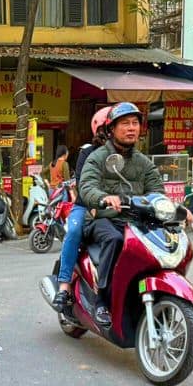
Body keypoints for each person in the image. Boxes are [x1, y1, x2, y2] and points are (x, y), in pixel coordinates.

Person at [79, 102, 165, 326]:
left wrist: (178, 209)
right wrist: (104, 197)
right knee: (115, 240)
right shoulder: (97, 157)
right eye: (125, 123)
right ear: (111, 129)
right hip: (103, 218)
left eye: (135, 123)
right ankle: (101, 300)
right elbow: (87, 186)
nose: (131, 128)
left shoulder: (144, 163)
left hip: (135, 221)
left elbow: (157, 190)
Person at [51, 106, 112, 312]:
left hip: (117, 209)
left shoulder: (130, 154)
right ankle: (64, 286)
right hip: (86, 206)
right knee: (74, 231)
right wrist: (94, 204)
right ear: (100, 129)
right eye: (111, 127)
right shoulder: (88, 152)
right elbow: (82, 182)